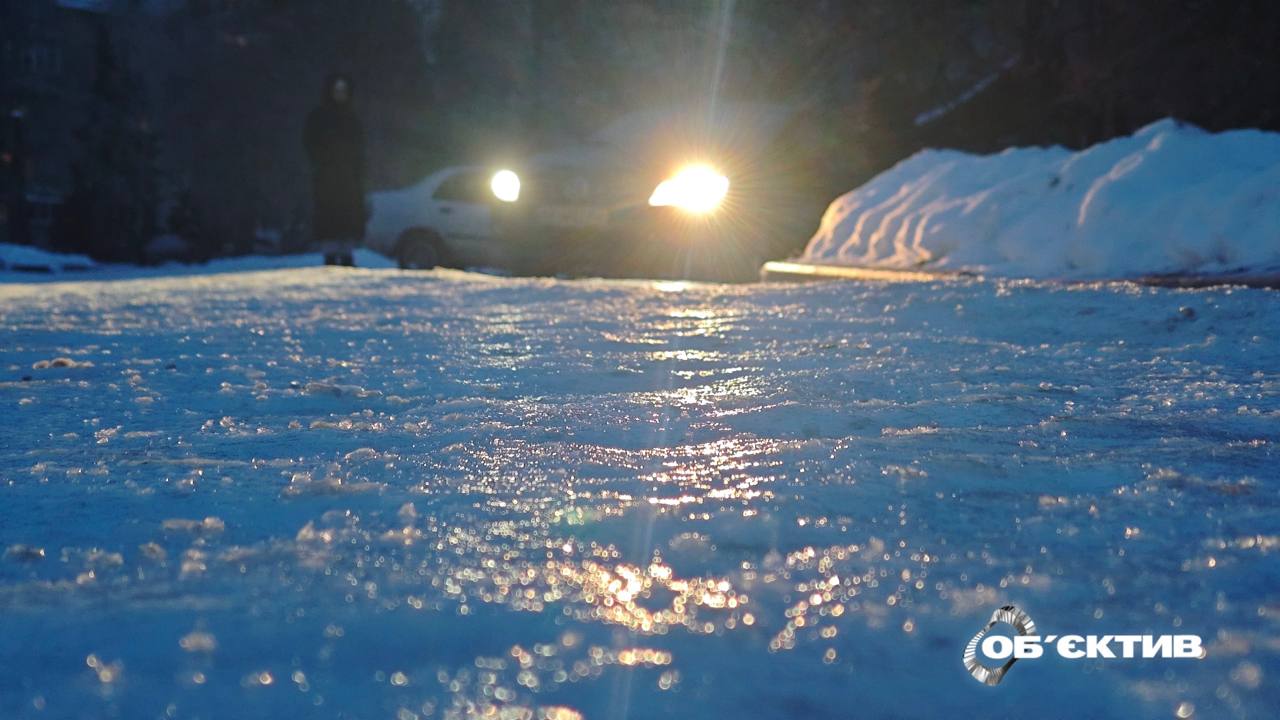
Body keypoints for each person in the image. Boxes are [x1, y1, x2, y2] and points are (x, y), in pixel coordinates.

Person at [304, 73, 366, 266]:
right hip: (327, 176)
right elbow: (309, 142)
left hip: (348, 178)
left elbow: (360, 147)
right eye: (337, 90)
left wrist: (356, 170)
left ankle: (346, 254)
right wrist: (322, 161)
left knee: (347, 215)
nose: (340, 94)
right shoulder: (319, 117)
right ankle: (330, 254)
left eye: (343, 91)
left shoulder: (352, 118)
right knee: (328, 215)